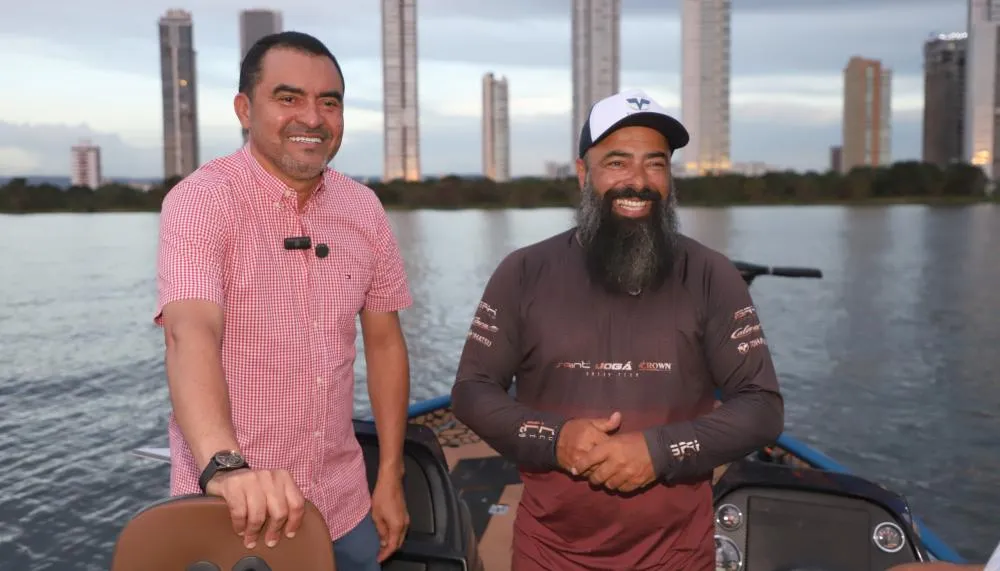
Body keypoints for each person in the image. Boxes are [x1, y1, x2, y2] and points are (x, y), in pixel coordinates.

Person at [450, 88, 785, 570]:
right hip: (550, 553)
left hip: (678, 554)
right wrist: (554, 438)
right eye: (617, 162)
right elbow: (472, 390)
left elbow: (761, 407)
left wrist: (660, 451)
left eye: (656, 164)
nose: (639, 181)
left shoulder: (711, 274)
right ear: (584, 173)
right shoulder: (524, 271)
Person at [155, 31, 413, 570]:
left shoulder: (363, 208)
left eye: (330, 101)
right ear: (245, 109)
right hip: (235, 511)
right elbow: (190, 331)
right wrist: (225, 468)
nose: (312, 119)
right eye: (289, 98)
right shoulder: (201, 201)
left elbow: (385, 345)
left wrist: (389, 476)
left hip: (345, 505)